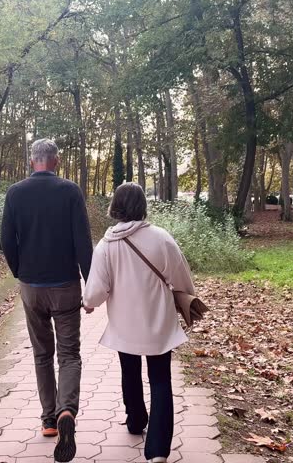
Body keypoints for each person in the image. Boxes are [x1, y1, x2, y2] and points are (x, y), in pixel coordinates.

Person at [82, 183, 196, 463]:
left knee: (129, 370)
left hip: (124, 321)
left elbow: (97, 289)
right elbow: (181, 277)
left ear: (115, 207)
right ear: (143, 205)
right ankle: (157, 450)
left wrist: (89, 303)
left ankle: (135, 420)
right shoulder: (161, 238)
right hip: (158, 319)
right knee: (160, 379)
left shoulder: (106, 244)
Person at [0, 138, 93, 463]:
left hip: (32, 286)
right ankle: (67, 410)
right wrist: (90, 283)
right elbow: (83, 241)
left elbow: (6, 240)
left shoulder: (15, 193)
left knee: (42, 354)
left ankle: (49, 420)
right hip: (65, 284)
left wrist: (20, 272)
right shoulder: (70, 192)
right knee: (69, 355)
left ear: (31, 161)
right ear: (57, 160)